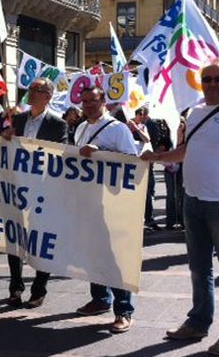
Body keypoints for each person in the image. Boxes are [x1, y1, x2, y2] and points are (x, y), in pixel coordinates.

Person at [142, 59, 219, 356]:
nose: (213, 84)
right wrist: (156, 158)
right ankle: (199, 322)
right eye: (208, 79)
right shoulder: (195, 112)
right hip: (193, 200)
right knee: (198, 268)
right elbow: (186, 151)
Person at [73, 86, 138, 334]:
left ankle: (124, 310)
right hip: (87, 199)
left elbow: (131, 160)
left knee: (115, 255)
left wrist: (102, 154)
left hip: (112, 201)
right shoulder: (80, 128)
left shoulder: (117, 128)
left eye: (94, 100)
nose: (88, 104)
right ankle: (100, 298)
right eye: (85, 101)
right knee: (93, 251)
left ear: (104, 102)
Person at [2, 77, 67, 308]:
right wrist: (6, 137)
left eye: (36, 90)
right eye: (29, 88)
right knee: (15, 238)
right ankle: (15, 287)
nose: (30, 92)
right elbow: (4, 149)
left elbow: (59, 155)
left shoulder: (57, 124)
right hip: (16, 190)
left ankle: (39, 289)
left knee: (42, 241)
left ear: (48, 96)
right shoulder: (17, 119)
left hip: (42, 192)